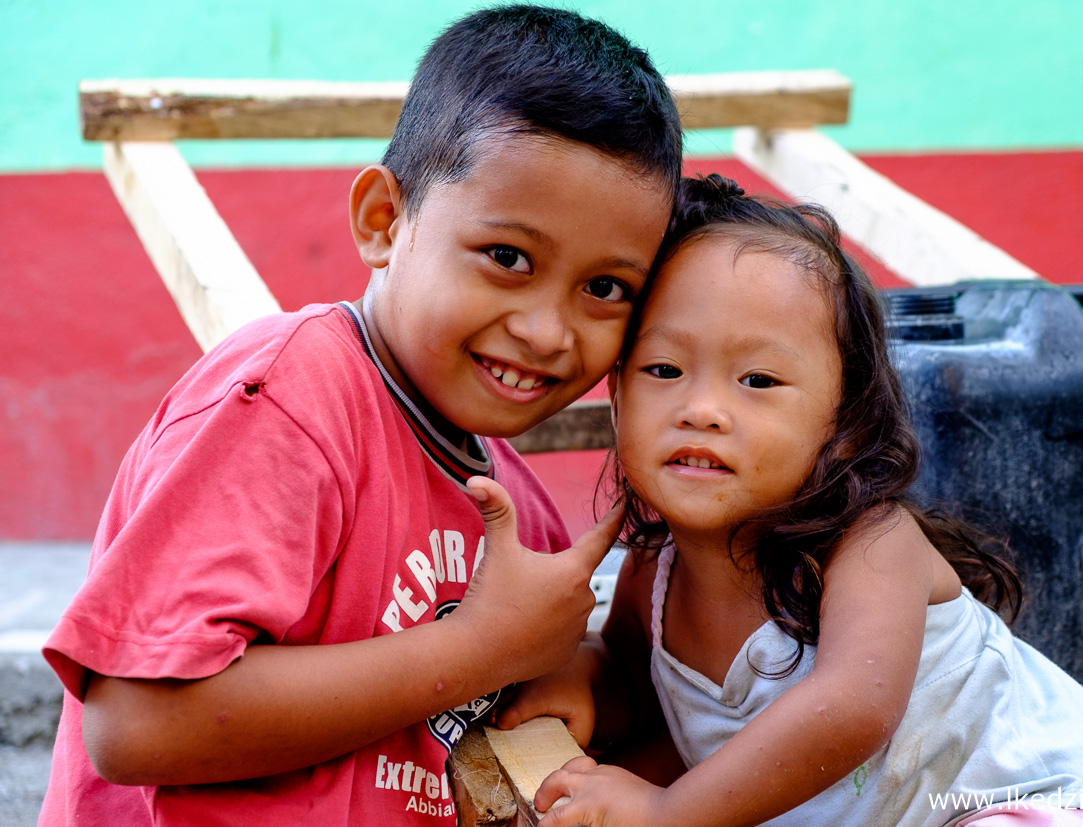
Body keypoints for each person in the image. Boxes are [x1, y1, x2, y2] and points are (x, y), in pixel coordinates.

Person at [37, 6, 681, 825]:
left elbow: (531, 663)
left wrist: (581, 675)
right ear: (384, 221)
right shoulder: (291, 397)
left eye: (605, 289)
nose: (548, 330)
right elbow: (135, 722)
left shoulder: (506, 498)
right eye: (508, 258)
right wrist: (480, 648)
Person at [498, 174, 1083, 827]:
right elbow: (642, 691)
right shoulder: (653, 569)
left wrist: (667, 812)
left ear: (844, 422)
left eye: (758, 379)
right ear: (617, 396)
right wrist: (588, 683)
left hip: (1047, 801)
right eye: (664, 369)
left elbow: (853, 708)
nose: (702, 408)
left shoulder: (870, 543)